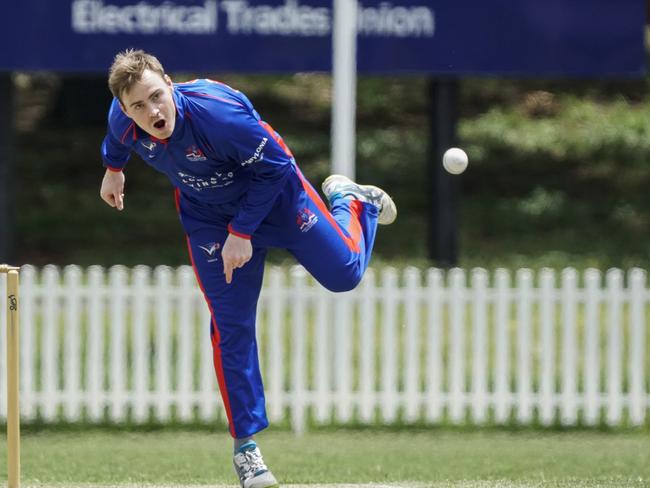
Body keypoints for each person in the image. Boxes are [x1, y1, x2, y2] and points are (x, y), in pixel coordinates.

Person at [99, 49, 396, 488]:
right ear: (125, 108)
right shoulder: (123, 118)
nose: (152, 111)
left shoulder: (218, 116)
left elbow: (275, 166)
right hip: (208, 220)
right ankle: (247, 451)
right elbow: (115, 139)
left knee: (345, 274)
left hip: (277, 199)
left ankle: (352, 200)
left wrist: (243, 232)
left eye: (157, 96)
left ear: (169, 82)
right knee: (230, 326)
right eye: (138, 107)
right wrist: (113, 170)